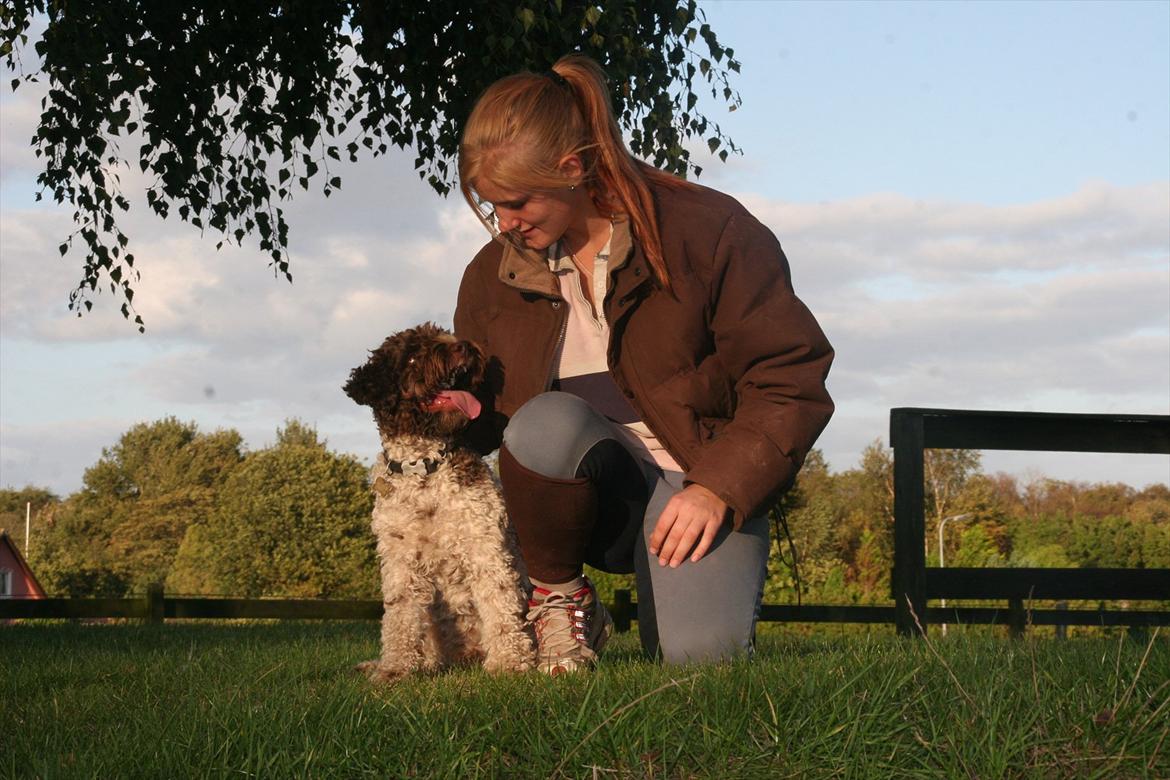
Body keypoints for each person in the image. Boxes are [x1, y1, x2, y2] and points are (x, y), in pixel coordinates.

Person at [453, 54, 833, 673]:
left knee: (697, 665)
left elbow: (790, 379)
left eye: (517, 203)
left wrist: (719, 488)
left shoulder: (710, 232)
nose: (505, 224)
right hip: (590, 499)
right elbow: (493, 429)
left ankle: (686, 590)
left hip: (697, 485)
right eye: (491, 206)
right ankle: (561, 600)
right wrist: (441, 410)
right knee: (545, 421)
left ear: (572, 169)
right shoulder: (491, 275)